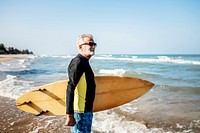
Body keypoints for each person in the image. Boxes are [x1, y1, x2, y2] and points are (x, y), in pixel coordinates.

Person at [65, 34, 97, 133]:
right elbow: (70, 87)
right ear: (80, 46)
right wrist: (69, 115)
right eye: (90, 44)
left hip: (86, 111)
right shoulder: (78, 62)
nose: (93, 46)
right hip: (80, 112)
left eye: (94, 44)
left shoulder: (84, 62)